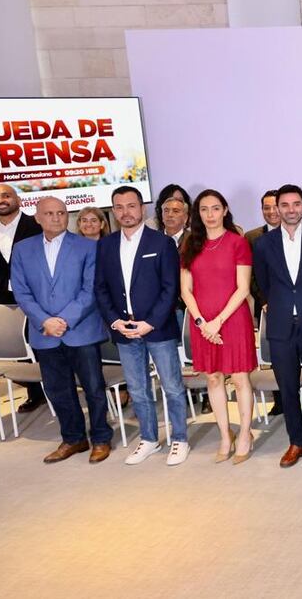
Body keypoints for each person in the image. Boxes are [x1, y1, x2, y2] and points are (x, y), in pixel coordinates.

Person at [12, 197, 112, 463]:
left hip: (80, 330)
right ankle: (73, 438)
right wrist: (45, 320)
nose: (56, 218)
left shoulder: (87, 247)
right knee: (58, 390)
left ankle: (101, 438)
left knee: (93, 388)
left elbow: (90, 289)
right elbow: (21, 292)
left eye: (61, 213)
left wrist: (64, 320)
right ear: (38, 218)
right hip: (44, 334)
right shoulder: (22, 249)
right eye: (50, 213)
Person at [94, 186, 190, 466]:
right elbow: (100, 288)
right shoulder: (106, 244)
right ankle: (149, 438)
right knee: (137, 389)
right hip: (123, 330)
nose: (126, 212)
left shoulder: (161, 243)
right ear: (114, 211)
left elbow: (170, 288)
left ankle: (179, 439)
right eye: (120, 207)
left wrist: (150, 322)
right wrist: (114, 321)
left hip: (157, 328)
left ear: (143, 209)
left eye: (131, 206)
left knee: (171, 386)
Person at [252, 184, 302, 468]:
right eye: (284, 205)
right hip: (280, 327)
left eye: (295, 204)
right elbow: (262, 282)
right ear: (277, 209)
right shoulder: (263, 244)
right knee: (286, 388)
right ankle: (296, 442)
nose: (290, 209)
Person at [179, 189, 257, 464]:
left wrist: (218, 322)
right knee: (212, 378)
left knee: (239, 378)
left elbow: (243, 288)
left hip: (232, 319)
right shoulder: (191, 244)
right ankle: (226, 435)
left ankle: (245, 433)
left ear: (224, 210)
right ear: (197, 214)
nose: (209, 214)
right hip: (203, 323)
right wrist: (201, 322)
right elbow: (186, 290)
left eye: (215, 208)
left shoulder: (238, 242)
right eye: (203, 209)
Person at [0, 183, 46, 412]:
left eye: (6, 195)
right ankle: (35, 393)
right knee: (20, 347)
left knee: (42, 343)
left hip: (38, 297)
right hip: (7, 299)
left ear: (18, 200)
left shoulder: (35, 225)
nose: (0, 200)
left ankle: (54, 388)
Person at [244, 189, 282, 414]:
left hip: (295, 304)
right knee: (276, 353)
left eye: (274, 206)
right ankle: (280, 400)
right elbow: (251, 274)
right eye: (266, 207)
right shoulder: (252, 237)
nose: (271, 211)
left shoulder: (297, 233)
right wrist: (264, 301)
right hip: (266, 305)